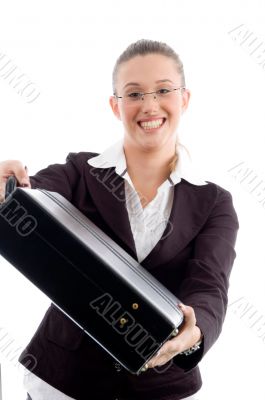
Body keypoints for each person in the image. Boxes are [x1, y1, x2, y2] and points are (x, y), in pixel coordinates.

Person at [0, 39, 239, 400]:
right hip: (62, 381)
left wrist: (195, 332)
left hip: (160, 384)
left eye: (163, 90)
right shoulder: (79, 172)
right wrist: (7, 184)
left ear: (184, 99)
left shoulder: (213, 202)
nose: (149, 105)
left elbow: (210, 285)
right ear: (116, 105)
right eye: (134, 94)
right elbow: (30, 196)